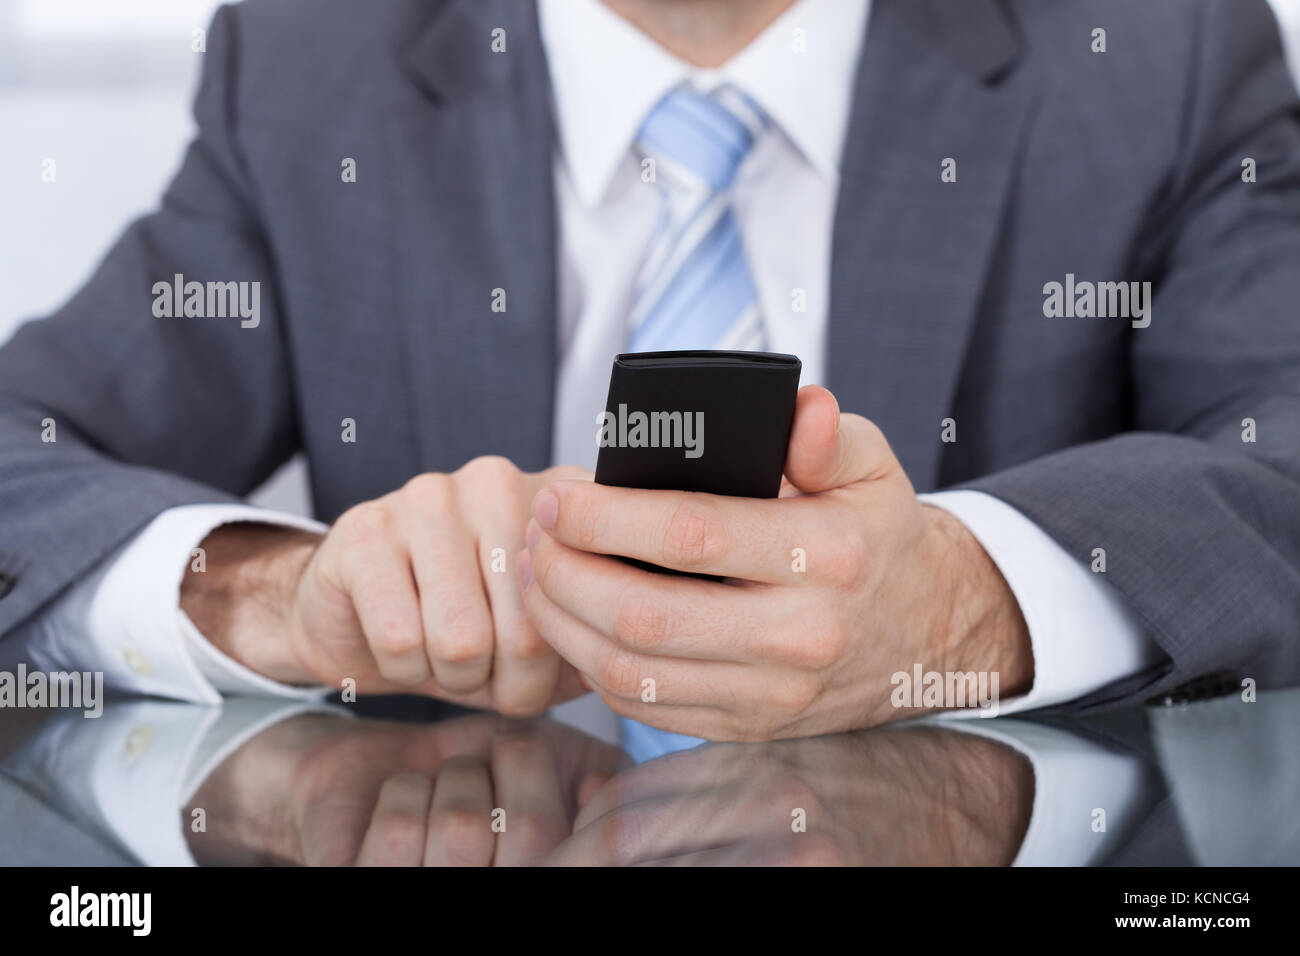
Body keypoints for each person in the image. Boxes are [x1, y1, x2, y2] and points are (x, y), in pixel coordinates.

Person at [2, 0, 1298, 763]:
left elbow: (1281, 464)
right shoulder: (311, 64)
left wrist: (968, 606)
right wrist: (276, 596)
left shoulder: (1159, 50)